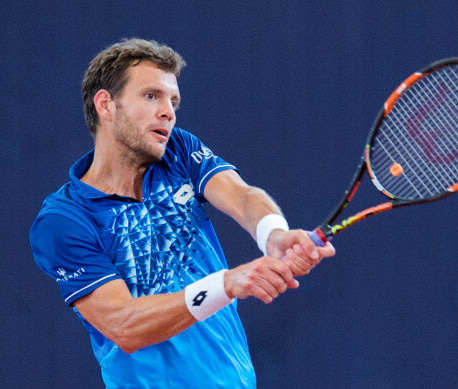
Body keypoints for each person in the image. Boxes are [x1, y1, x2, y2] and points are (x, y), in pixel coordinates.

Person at [30, 38, 335, 388]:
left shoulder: (179, 149)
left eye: (173, 101)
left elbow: (242, 195)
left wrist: (274, 234)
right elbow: (124, 326)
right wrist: (226, 283)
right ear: (106, 105)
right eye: (151, 96)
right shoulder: (64, 220)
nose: (169, 112)